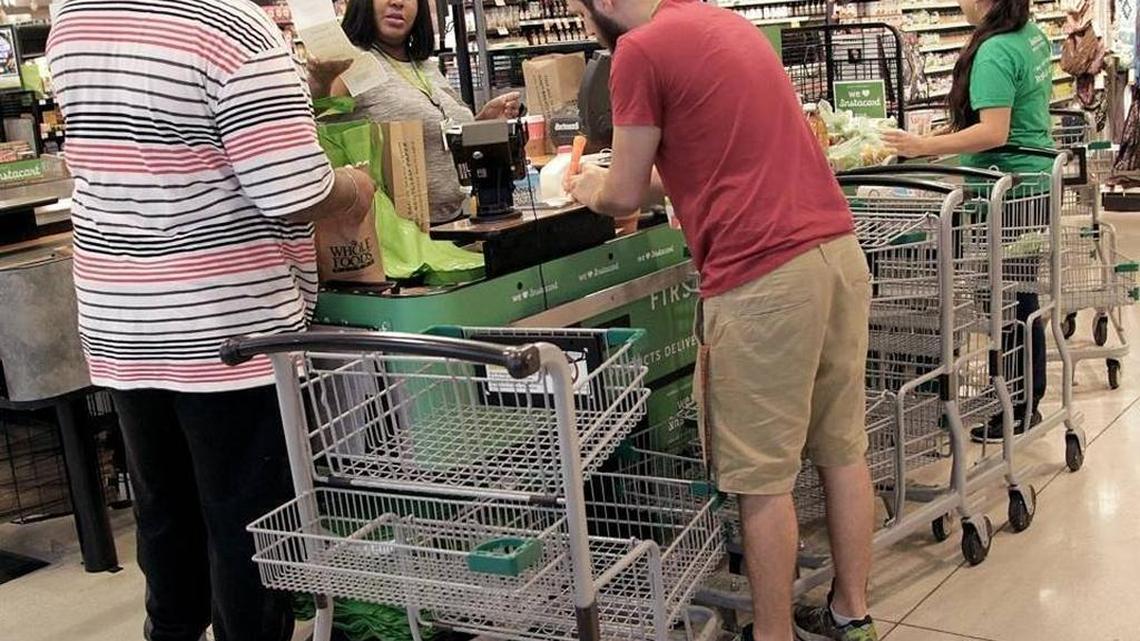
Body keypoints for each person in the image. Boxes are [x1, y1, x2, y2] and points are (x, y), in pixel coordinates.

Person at [46, 1, 376, 640]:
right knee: (249, 524)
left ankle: (169, 631)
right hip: (227, 325)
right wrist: (354, 188)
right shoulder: (229, 25)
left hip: (122, 318)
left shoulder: (76, 17)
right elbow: (293, 190)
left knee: (164, 509)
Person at [563, 1, 879, 640]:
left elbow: (622, 193)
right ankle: (853, 616)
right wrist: (627, 178)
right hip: (837, 255)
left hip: (763, 278)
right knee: (842, 450)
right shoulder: (724, 22)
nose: (578, 18)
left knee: (761, 481)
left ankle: (770, 634)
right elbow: (699, 158)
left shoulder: (638, 52)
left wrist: (583, 188)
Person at [884, 0, 1052, 443]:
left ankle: (1018, 404)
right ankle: (1023, 397)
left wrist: (921, 146)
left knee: (1007, 298)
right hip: (1030, 187)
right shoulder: (1030, 34)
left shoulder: (996, 49)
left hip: (1010, 192)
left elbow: (994, 132)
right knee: (1019, 295)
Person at [325, 0, 522, 225]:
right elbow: (321, 118)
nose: (397, 3)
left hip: (455, 220)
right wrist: (318, 83)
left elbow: (440, 135)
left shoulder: (425, 66)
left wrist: (483, 121)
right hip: (398, 236)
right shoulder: (350, 64)